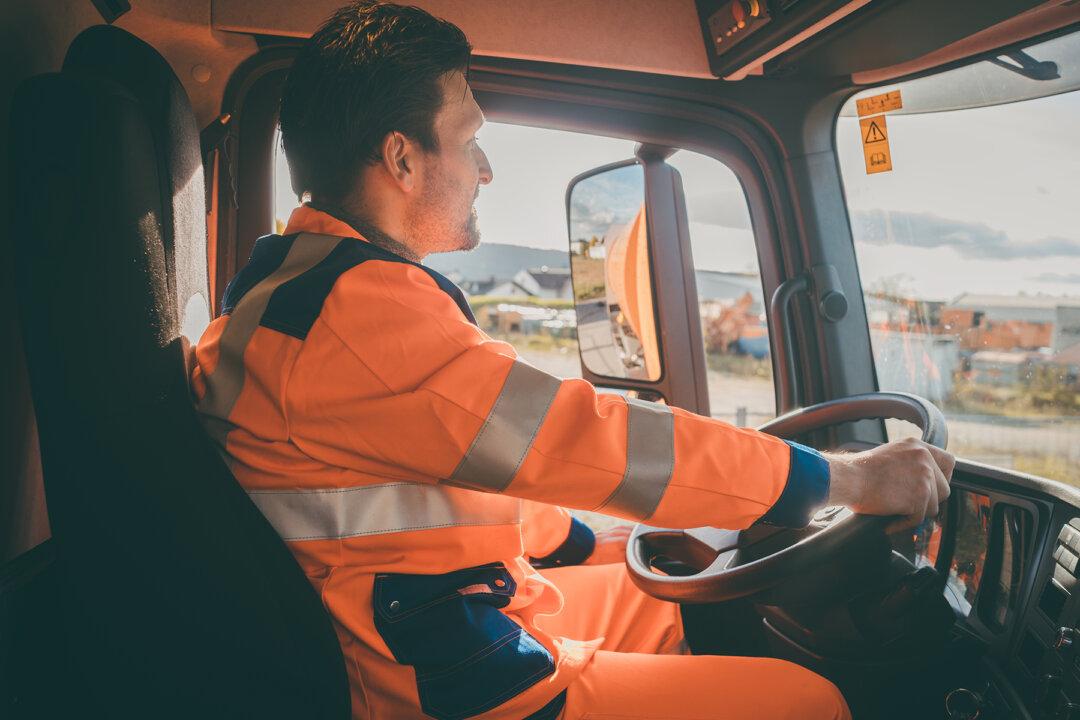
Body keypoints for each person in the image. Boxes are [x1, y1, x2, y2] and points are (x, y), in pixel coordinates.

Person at [190, 3, 954, 718]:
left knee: (682, 599)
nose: (484, 168)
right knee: (806, 701)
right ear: (402, 158)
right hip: (440, 676)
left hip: (425, 613)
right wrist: (846, 477)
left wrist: (591, 542)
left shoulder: (294, 291)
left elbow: (465, 465)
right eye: (469, 139)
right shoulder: (359, 316)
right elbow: (583, 438)